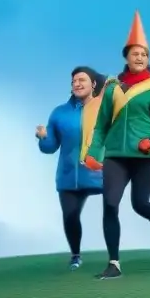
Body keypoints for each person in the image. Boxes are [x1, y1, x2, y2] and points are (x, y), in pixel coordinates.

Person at [83, 11, 150, 280]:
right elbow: (101, 125)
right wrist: (92, 153)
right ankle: (114, 263)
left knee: (139, 203)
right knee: (110, 205)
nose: (139, 58)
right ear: (126, 56)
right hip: (115, 156)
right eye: (135, 53)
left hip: (145, 156)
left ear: (148, 59)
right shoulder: (112, 88)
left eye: (144, 54)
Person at [36, 66, 108, 270]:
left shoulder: (105, 109)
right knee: (70, 216)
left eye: (82, 80)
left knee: (110, 211)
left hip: (100, 173)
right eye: (74, 81)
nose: (77, 83)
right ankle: (75, 255)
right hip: (69, 176)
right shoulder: (60, 113)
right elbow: (50, 147)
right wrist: (43, 138)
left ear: (94, 84)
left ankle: (114, 257)